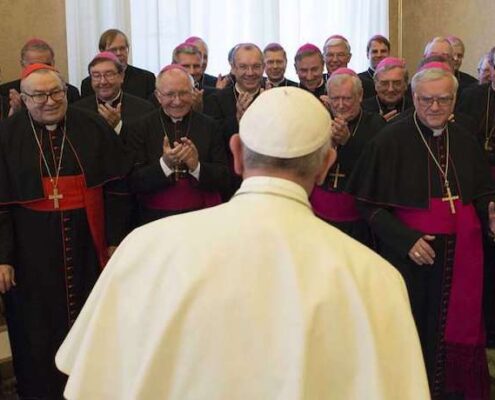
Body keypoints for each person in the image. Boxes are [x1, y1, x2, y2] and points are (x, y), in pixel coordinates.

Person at [56, 86, 429, 400]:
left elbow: (89, 380)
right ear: (327, 163)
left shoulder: (143, 248)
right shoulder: (374, 277)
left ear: (235, 153)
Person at [347, 63, 495, 399]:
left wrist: (490, 206)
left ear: (455, 100)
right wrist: (405, 240)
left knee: (452, 334)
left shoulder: (465, 138)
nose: (434, 107)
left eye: (443, 100)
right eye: (426, 100)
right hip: (412, 259)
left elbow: (481, 187)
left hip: (461, 258)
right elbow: (367, 203)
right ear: (414, 97)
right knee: (415, 333)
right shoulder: (390, 139)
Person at [0, 63, 130, 399]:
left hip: (86, 242)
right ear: (23, 98)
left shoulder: (92, 127)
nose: (49, 101)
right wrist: (3, 257)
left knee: (91, 320)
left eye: (56, 92)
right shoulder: (7, 136)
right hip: (31, 252)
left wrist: (114, 240)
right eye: (39, 95)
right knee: (36, 330)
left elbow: (117, 188)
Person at [124, 65, 229, 225]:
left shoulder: (210, 126)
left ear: (193, 92)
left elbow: (224, 178)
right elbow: (133, 182)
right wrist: (165, 164)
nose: (177, 101)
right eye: (170, 94)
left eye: (184, 93)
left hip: (201, 219)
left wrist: (196, 166)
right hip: (154, 220)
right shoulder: (140, 127)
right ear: (158, 96)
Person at [310, 68, 385, 247]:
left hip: (358, 220)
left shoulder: (376, 124)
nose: (341, 105)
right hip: (319, 215)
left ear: (360, 96)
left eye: (347, 98)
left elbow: (375, 170)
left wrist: (348, 142)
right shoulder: (318, 121)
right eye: (335, 99)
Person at [204, 43, 264, 198]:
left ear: (263, 67)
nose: (250, 73)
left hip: (266, 178)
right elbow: (213, 142)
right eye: (243, 67)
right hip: (231, 182)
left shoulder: (274, 96)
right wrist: (237, 119)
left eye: (256, 66)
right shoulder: (216, 100)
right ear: (233, 68)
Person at [73, 51, 154, 133]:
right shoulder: (77, 111)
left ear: (121, 77)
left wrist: (118, 126)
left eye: (109, 74)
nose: (103, 82)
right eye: (96, 76)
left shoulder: (144, 110)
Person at [0, 38, 80, 114]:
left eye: (46, 65)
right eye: (34, 66)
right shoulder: (4, 93)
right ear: (22, 65)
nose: (40, 69)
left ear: (53, 63)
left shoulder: (70, 92)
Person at [80, 29, 156, 100]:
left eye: (122, 48)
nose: (119, 53)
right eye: (113, 50)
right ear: (102, 52)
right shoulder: (88, 84)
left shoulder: (147, 79)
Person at [362, 57, 412, 122]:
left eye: (397, 83)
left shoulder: (415, 108)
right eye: (384, 83)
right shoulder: (362, 109)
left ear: (405, 84)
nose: (390, 89)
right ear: (375, 84)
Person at [357, 35, 391, 99]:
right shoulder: (358, 80)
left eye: (383, 51)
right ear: (367, 55)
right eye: (374, 52)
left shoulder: (395, 78)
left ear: (388, 54)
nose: (379, 55)